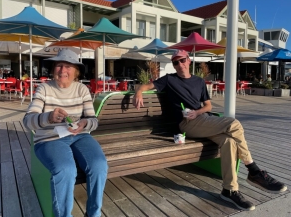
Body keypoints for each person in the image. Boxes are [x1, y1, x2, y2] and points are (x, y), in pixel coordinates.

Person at [133, 50, 287, 211]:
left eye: (182, 60)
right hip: (186, 125)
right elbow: (147, 85)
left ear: (188, 61)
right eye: (175, 62)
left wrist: (197, 112)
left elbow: (208, 106)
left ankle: (229, 190)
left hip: (203, 119)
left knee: (229, 142)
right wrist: (138, 91)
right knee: (234, 124)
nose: (179, 64)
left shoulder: (199, 81)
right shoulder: (169, 80)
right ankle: (254, 170)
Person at [23, 49, 108, 217]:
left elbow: (93, 120)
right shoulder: (44, 89)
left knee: (100, 165)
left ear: (76, 71)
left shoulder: (82, 89)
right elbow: (27, 121)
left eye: (68, 66)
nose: (63, 70)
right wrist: (48, 117)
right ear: (54, 69)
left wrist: (84, 124)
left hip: (79, 135)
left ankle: (94, 214)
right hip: (49, 139)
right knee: (66, 169)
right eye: (59, 65)